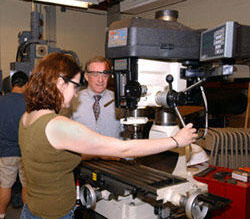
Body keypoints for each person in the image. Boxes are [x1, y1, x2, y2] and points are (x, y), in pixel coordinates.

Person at [19, 52, 198, 219]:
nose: (75, 94)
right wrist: (176, 140)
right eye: (75, 86)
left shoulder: (27, 117)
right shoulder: (57, 126)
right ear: (60, 83)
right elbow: (124, 148)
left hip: (32, 209)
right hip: (55, 213)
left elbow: (52, 156)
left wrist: (97, 153)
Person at [0, 71, 28, 219]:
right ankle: (25, 216)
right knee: (26, 186)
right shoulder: (30, 101)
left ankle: (1, 215)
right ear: (27, 84)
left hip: (5, 151)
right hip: (25, 152)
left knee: (5, 186)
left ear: (11, 85)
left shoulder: (2, 100)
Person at [71, 56, 122, 139]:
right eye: (95, 75)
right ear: (86, 76)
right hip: (82, 151)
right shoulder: (73, 100)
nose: (100, 80)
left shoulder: (119, 101)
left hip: (112, 151)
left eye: (104, 75)